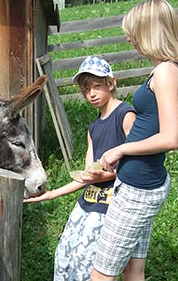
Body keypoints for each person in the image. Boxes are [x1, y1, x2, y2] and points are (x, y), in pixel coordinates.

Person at [24, 55, 136, 281]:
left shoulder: (125, 115)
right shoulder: (93, 128)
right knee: (64, 256)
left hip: (111, 206)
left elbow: (135, 169)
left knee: (87, 265)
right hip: (88, 202)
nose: (92, 94)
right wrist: (51, 194)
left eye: (97, 86)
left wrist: (105, 174)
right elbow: (87, 176)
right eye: (86, 90)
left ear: (111, 83)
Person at [90, 0, 178, 281]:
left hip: (139, 189)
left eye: (134, 32)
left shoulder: (166, 72)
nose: (129, 38)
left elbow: (171, 136)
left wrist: (120, 148)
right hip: (141, 181)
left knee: (100, 275)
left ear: (151, 31)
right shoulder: (165, 69)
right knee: (133, 269)